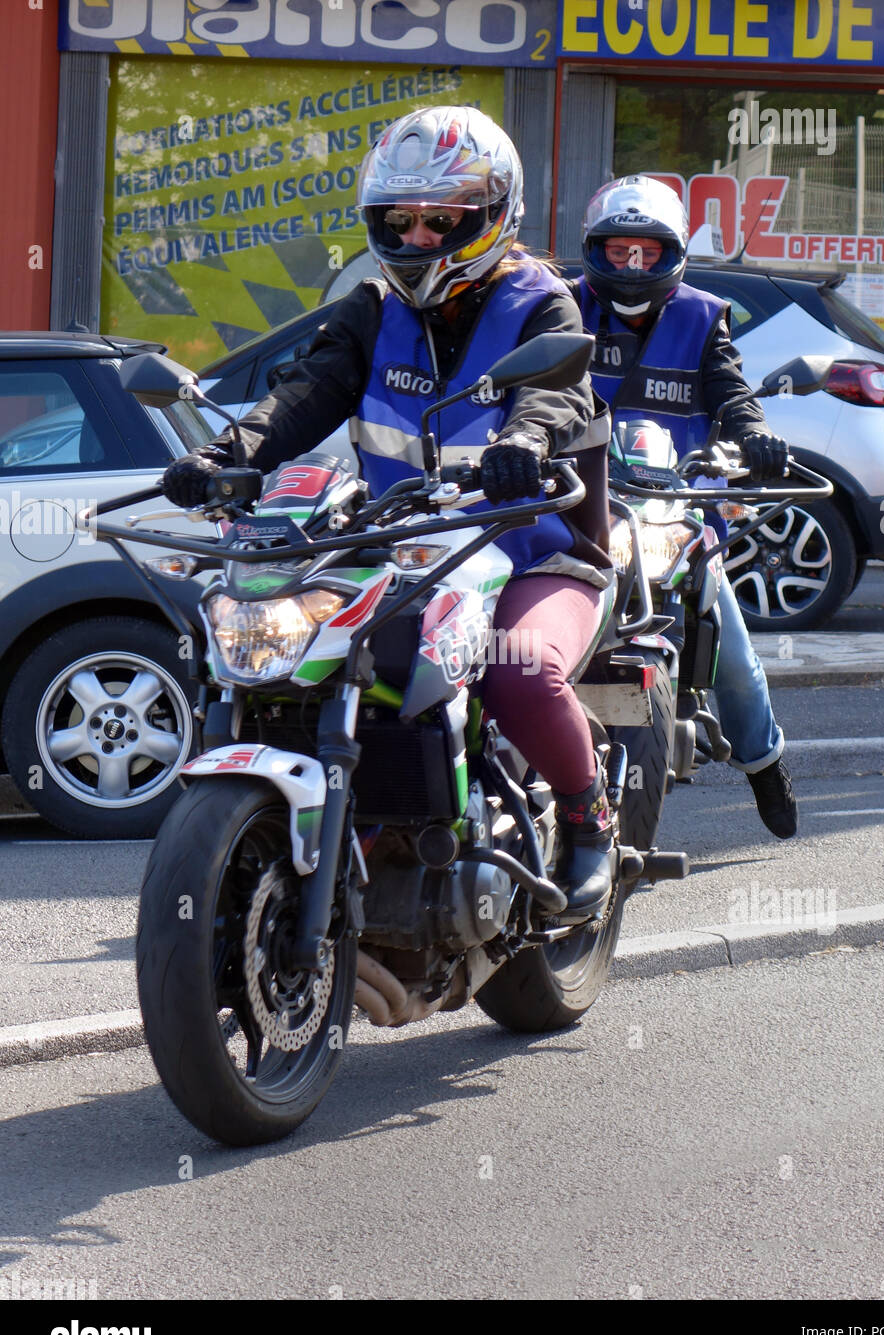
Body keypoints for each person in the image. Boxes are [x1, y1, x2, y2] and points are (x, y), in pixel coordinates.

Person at [161, 106, 618, 920]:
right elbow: (304, 395)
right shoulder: (371, 311)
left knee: (519, 669)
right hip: (403, 543)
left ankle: (588, 821)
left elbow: (553, 393)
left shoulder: (544, 305)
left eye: (440, 219)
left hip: (533, 549)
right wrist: (224, 460)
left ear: (492, 214)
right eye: (396, 221)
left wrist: (524, 441)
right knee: (310, 657)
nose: (415, 239)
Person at [573, 173, 797, 839]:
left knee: (731, 653)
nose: (633, 265)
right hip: (580, 508)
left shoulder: (703, 316)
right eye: (619, 252)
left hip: (671, 512)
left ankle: (764, 764)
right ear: (596, 251)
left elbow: (731, 392)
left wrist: (753, 435)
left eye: (647, 251)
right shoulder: (559, 307)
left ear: (671, 255)